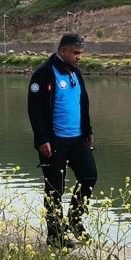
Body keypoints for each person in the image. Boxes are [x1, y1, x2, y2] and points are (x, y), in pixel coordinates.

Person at [27, 34, 97, 248]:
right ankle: (55, 234)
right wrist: (41, 139)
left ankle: (75, 220)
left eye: (80, 54)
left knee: (89, 177)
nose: (79, 57)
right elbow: (35, 110)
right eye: (76, 53)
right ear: (64, 51)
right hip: (54, 140)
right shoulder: (44, 74)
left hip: (77, 139)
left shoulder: (75, 73)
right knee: (55, 189)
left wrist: (88, 130)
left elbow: (82, 103)